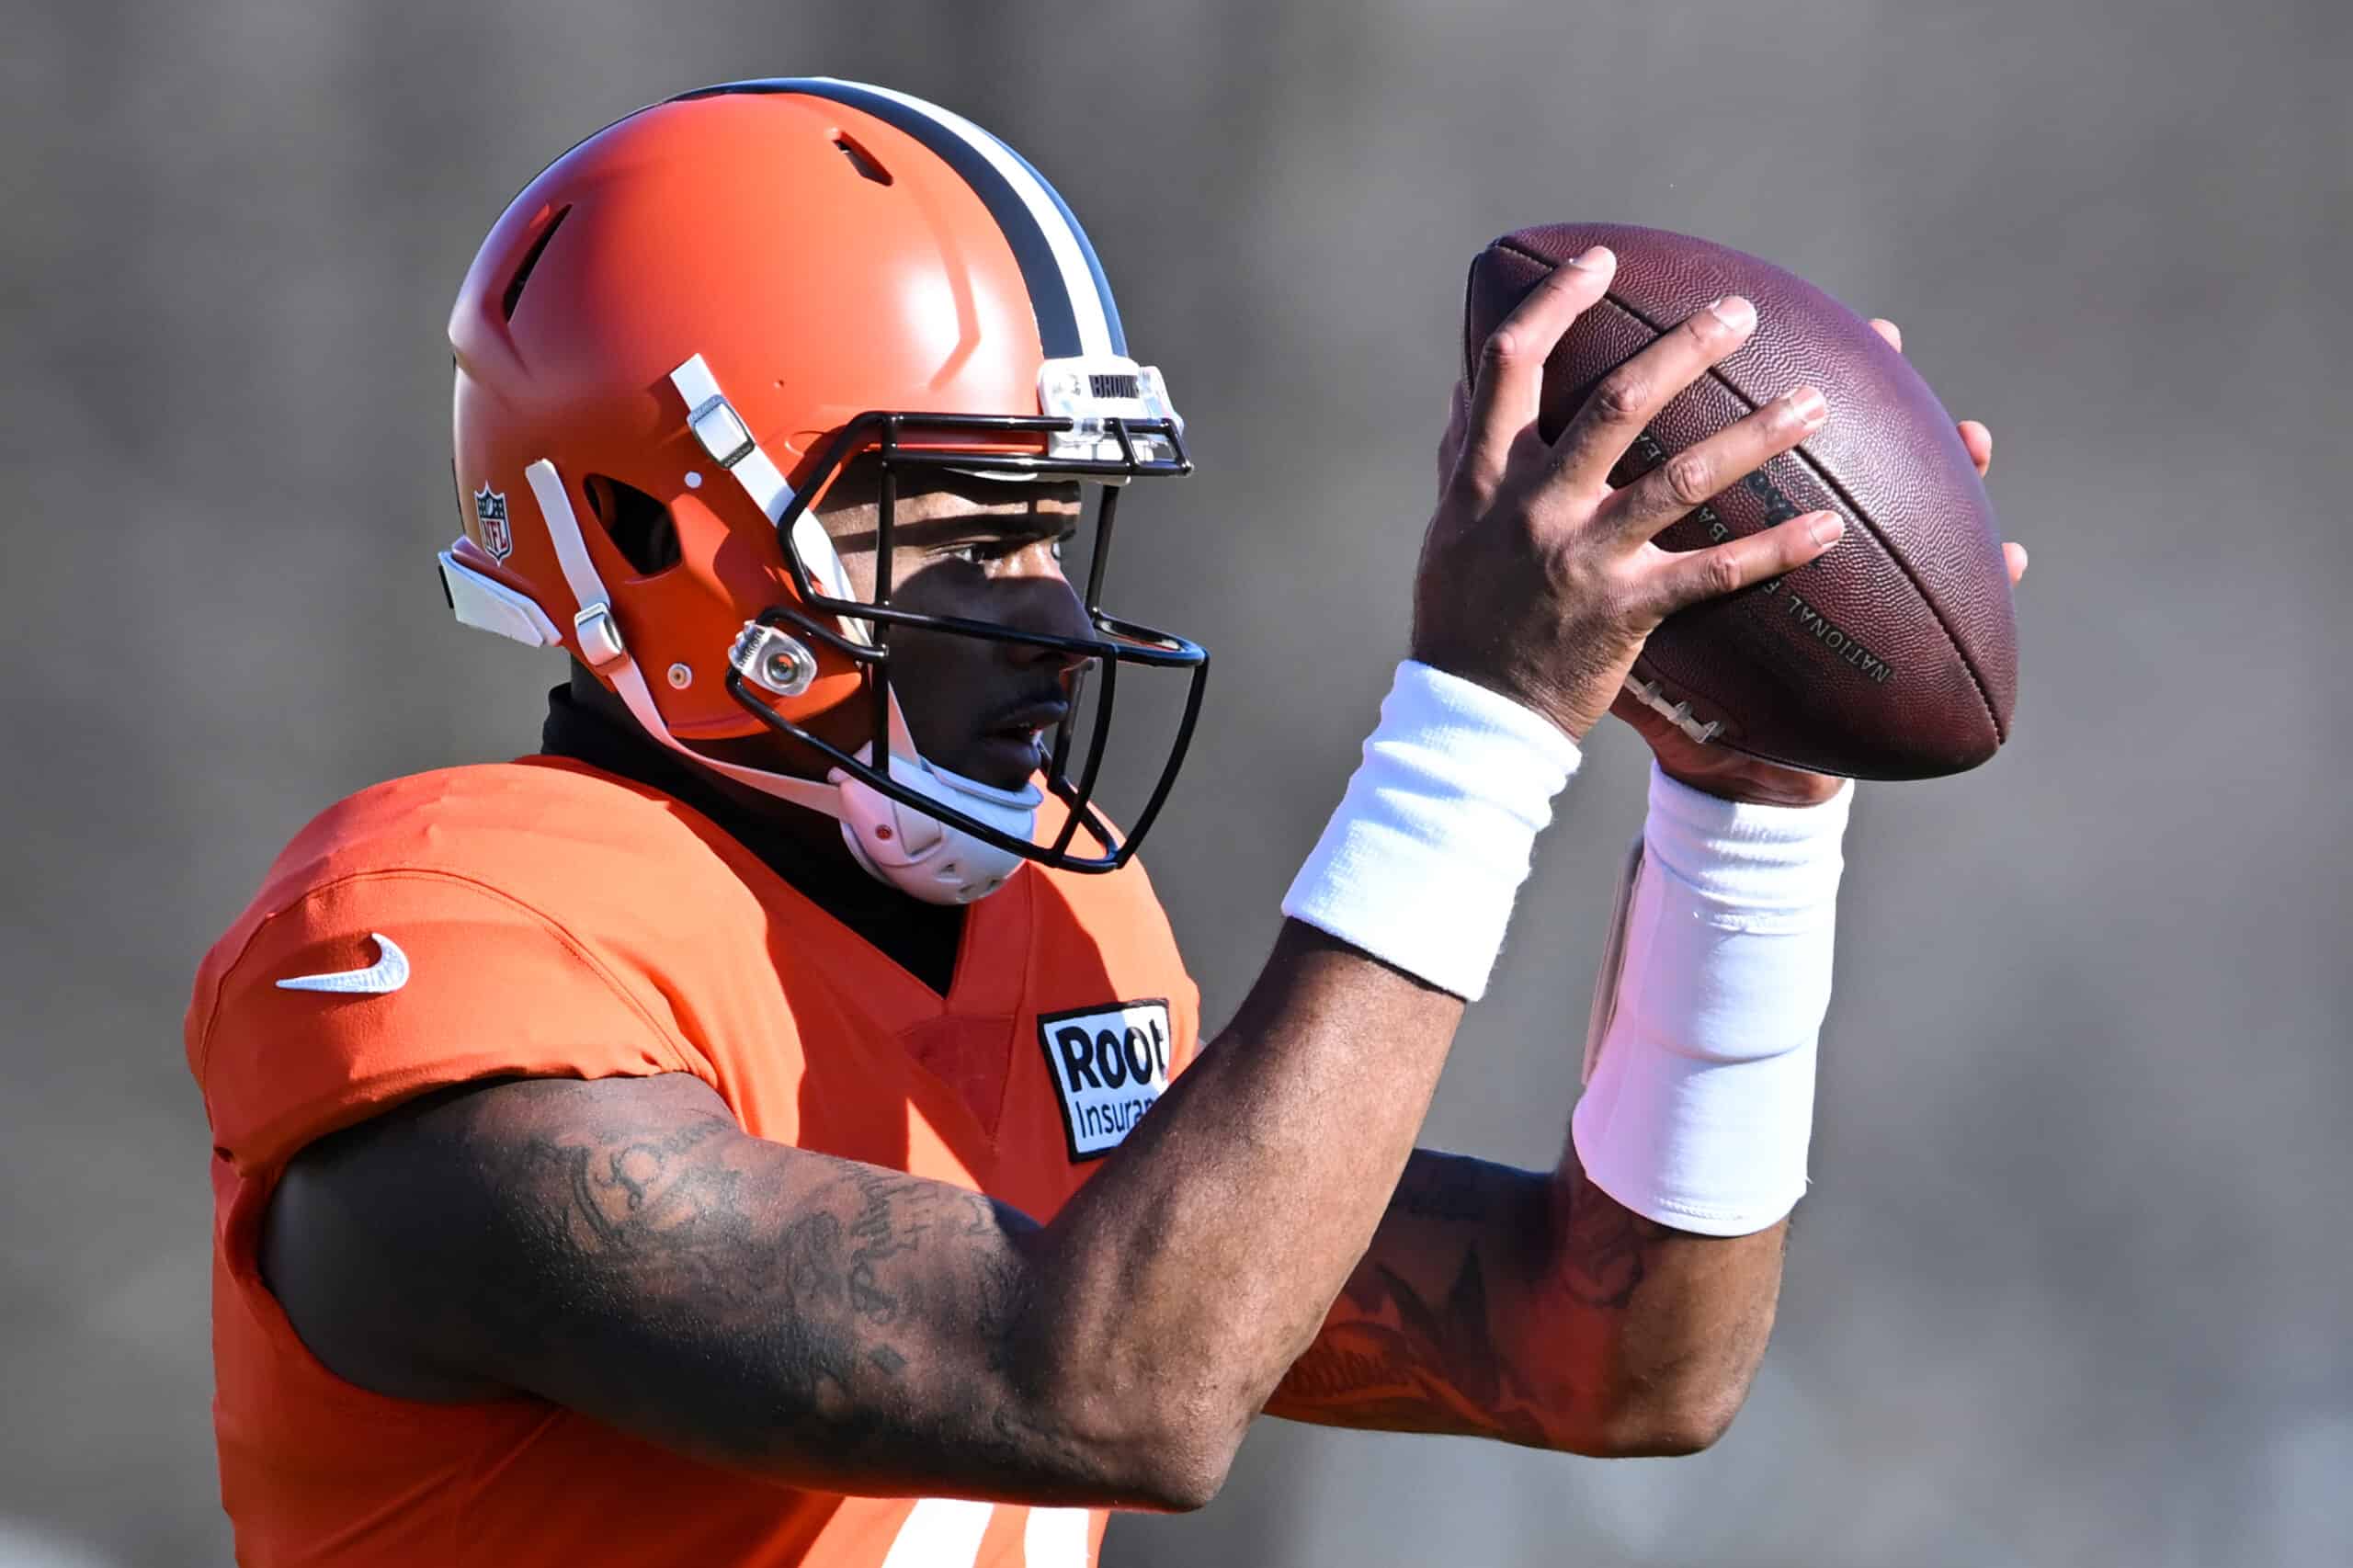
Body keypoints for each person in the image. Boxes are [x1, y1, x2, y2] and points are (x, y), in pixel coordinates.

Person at [186, 78, 2023, 1567]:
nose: (1050, 610)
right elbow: (1108, 1387)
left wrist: (1747, 808)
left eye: (1056, 526)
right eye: (961, 528)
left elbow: (1607, 1353)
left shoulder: (1038, 926)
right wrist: (1471, 728)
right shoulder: (462, 927)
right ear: (652, 533)